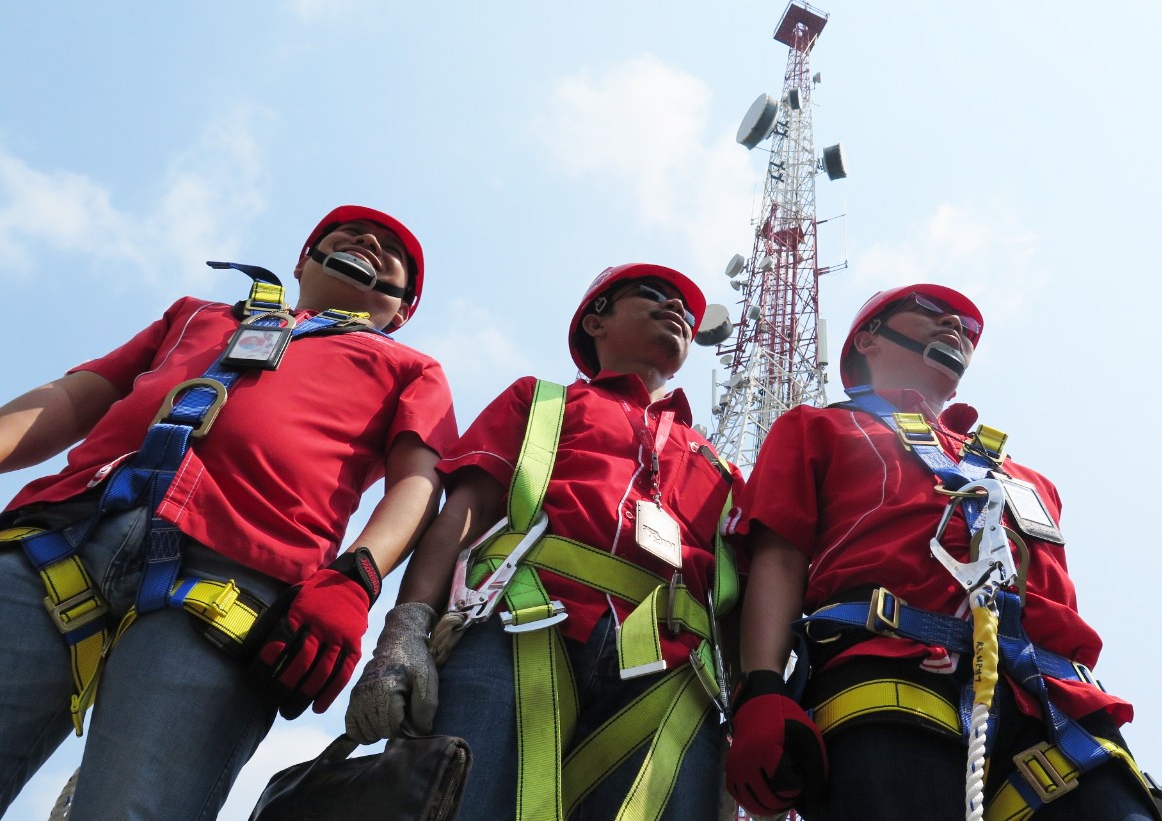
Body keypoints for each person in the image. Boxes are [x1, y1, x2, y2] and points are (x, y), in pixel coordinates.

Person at [0, 205, 458, 819]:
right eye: (344, 234)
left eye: (390, 251)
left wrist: (356, 580)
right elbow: (74, 395)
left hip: (232, 582)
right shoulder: (197, 316)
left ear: (402, 310)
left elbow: (418, 482)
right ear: (302, 262)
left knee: (135, 808)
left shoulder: (411, 369)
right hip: (58, 538)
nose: (366, 241)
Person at [725, 284, 1162, 820]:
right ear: (867, 338)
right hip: (888, 668)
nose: (955, 326)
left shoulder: (1027, 480)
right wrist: (764, 690)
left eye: (966, 325)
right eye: (933, 312)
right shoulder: (817, 428)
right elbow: (779, 560)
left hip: (1056, 703)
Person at [346, 263, 744, 821]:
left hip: (672, 672)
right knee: (456, 803)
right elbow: (466, 512)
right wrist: (405, 631)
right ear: (595, 321)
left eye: (686, 308)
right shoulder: (541, 401)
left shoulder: (721, 467)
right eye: (653, 294)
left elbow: (739, 602)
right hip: (513, 629)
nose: (676, 309)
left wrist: (745, 721)